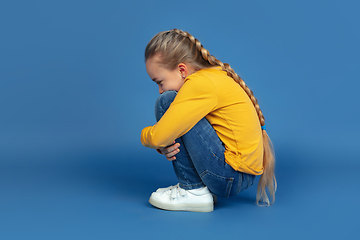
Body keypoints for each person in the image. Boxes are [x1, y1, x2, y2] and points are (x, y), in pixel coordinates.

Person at [140, 29, 276, 212]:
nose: (160, 89)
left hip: (229, 176)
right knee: (179, 113)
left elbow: (158, 137)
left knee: (167, 102)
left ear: (182, 70)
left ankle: (192, 191)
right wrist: (163, 142)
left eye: (160, 82)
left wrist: (146, 136)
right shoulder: (211, 77)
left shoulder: (199, 84)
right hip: (238, 175)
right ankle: (199, 189)